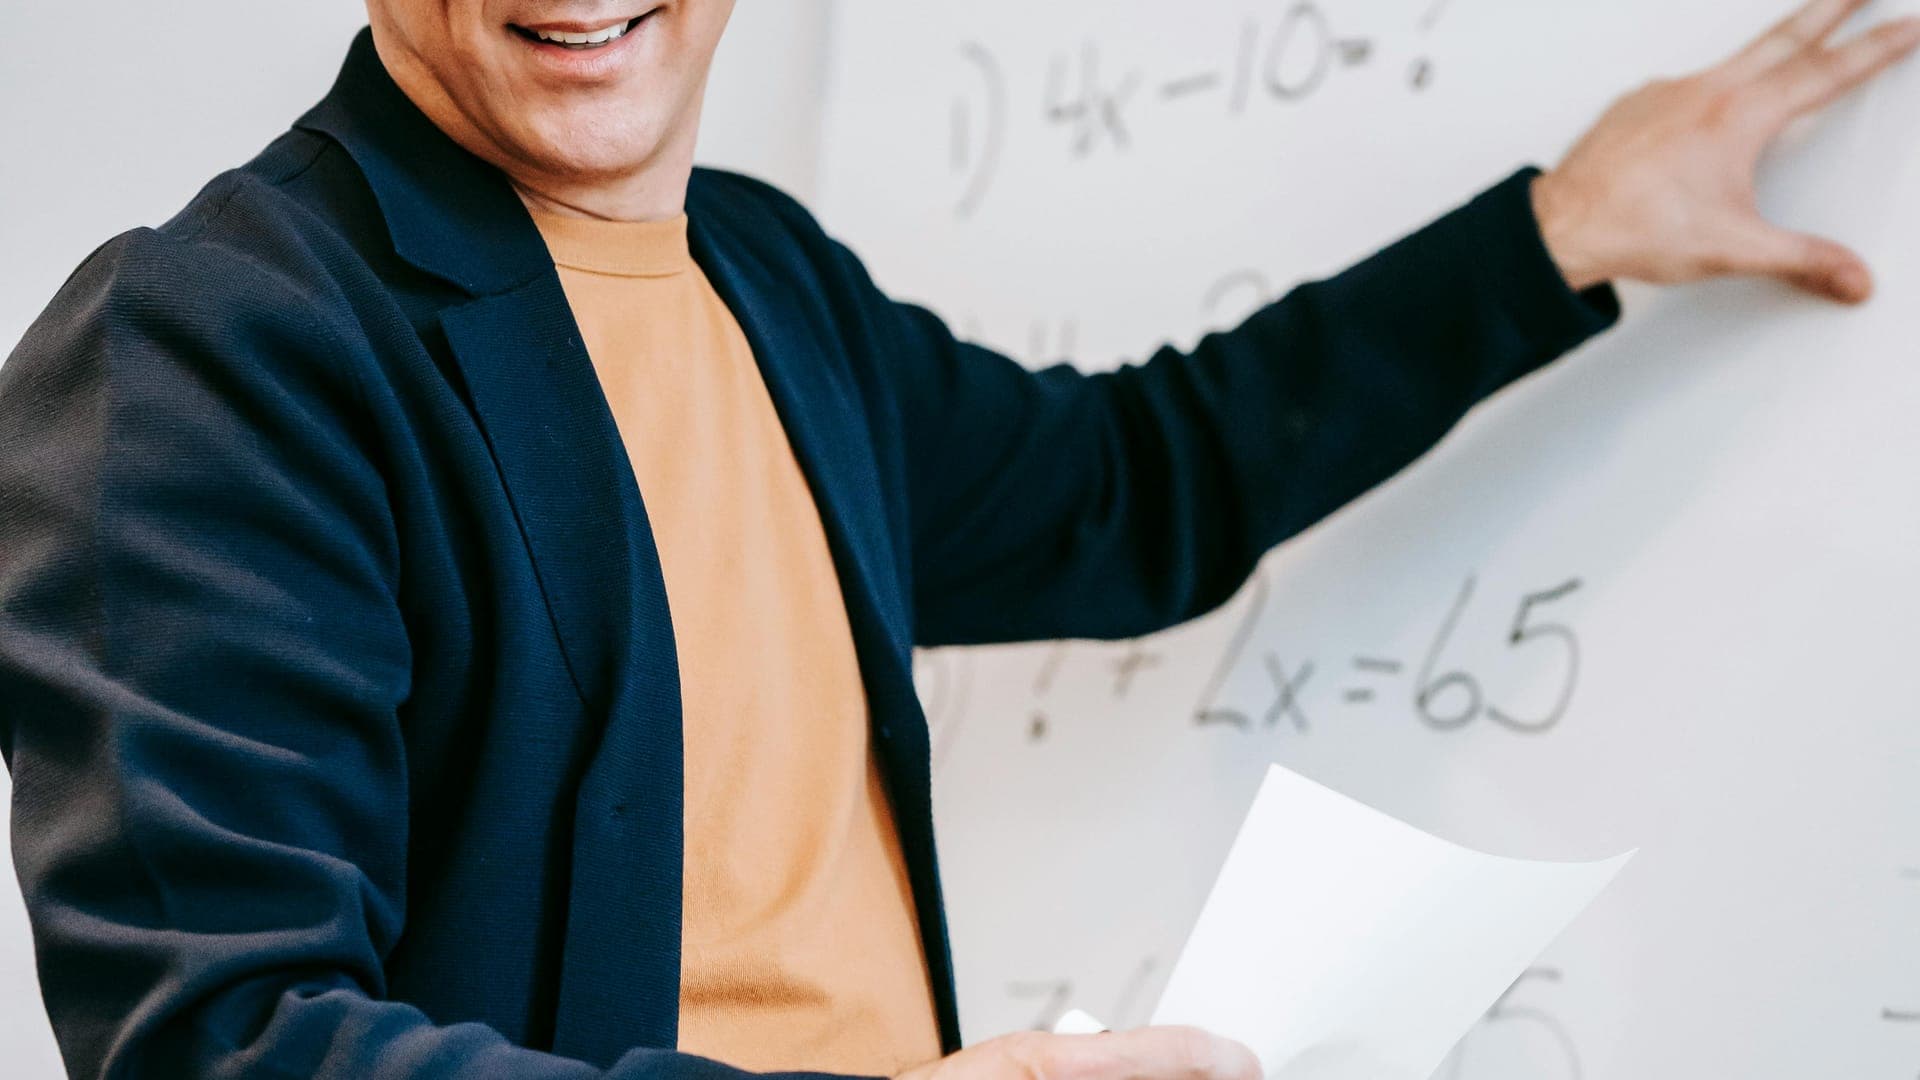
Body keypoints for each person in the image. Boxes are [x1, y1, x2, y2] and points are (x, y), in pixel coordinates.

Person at [0, 1, 1912, 1078]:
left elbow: (1136, 485)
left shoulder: (767, 276)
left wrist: (1562, 224)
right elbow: (220, 1051)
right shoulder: (207, 346)